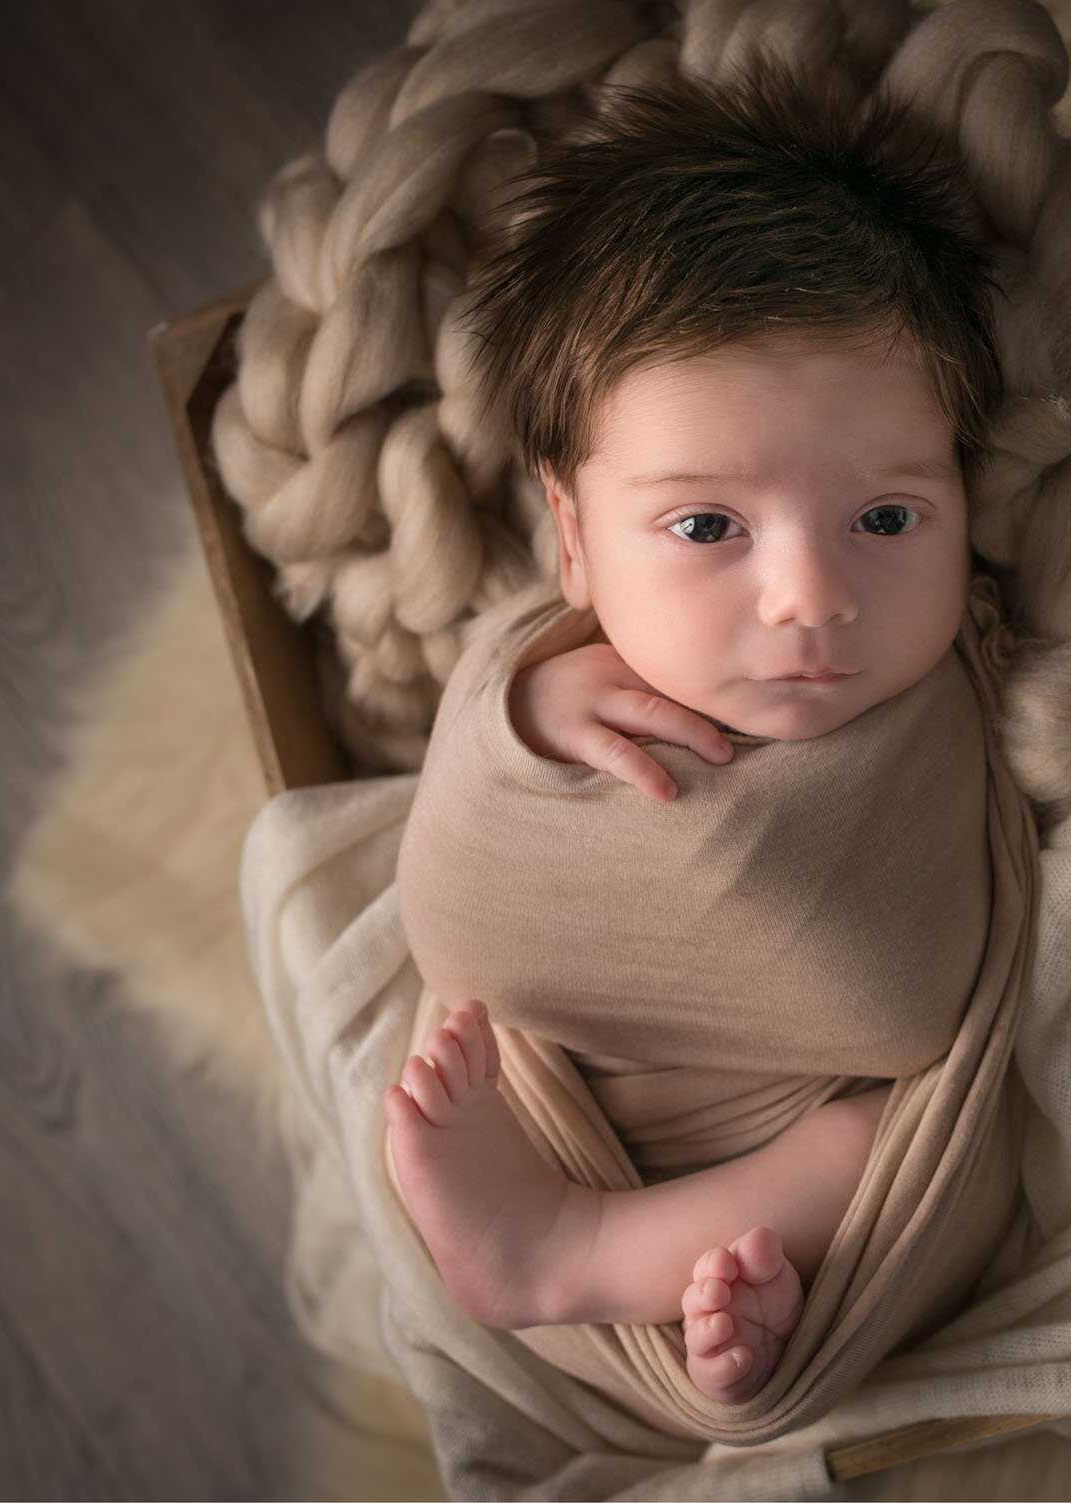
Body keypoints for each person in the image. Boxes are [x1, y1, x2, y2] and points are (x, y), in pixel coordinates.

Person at [381, 56, 1022, 1408]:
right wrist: (521, 718)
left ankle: (606, 1261)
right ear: (573, 538)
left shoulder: (972, 671)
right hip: (571, 1099)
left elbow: (924, 1008)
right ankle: (582, 1247)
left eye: (887, 518)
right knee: (441, 1068)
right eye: (708, 525)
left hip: (824, 1137)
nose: (811, 597)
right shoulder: (555, 674)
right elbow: (463, 923)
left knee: (900, 1152)